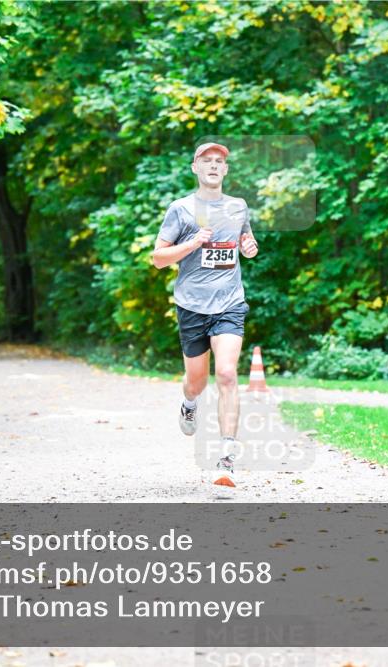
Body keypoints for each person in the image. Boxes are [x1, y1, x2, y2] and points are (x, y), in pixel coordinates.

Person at [152, 142, 259, 485]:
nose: (213, 166)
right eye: (206, 161)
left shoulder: (239, 207)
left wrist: (249, 247)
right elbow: (158, 258)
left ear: (225, 170)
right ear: (195, 168)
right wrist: (193, 243)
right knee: (197, 381)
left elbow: (246, 242)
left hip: (229, 303)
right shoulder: (181, 209)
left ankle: (226, 457)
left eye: (219, 162)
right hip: (192, 305)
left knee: (227, 374)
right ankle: (188, 402)